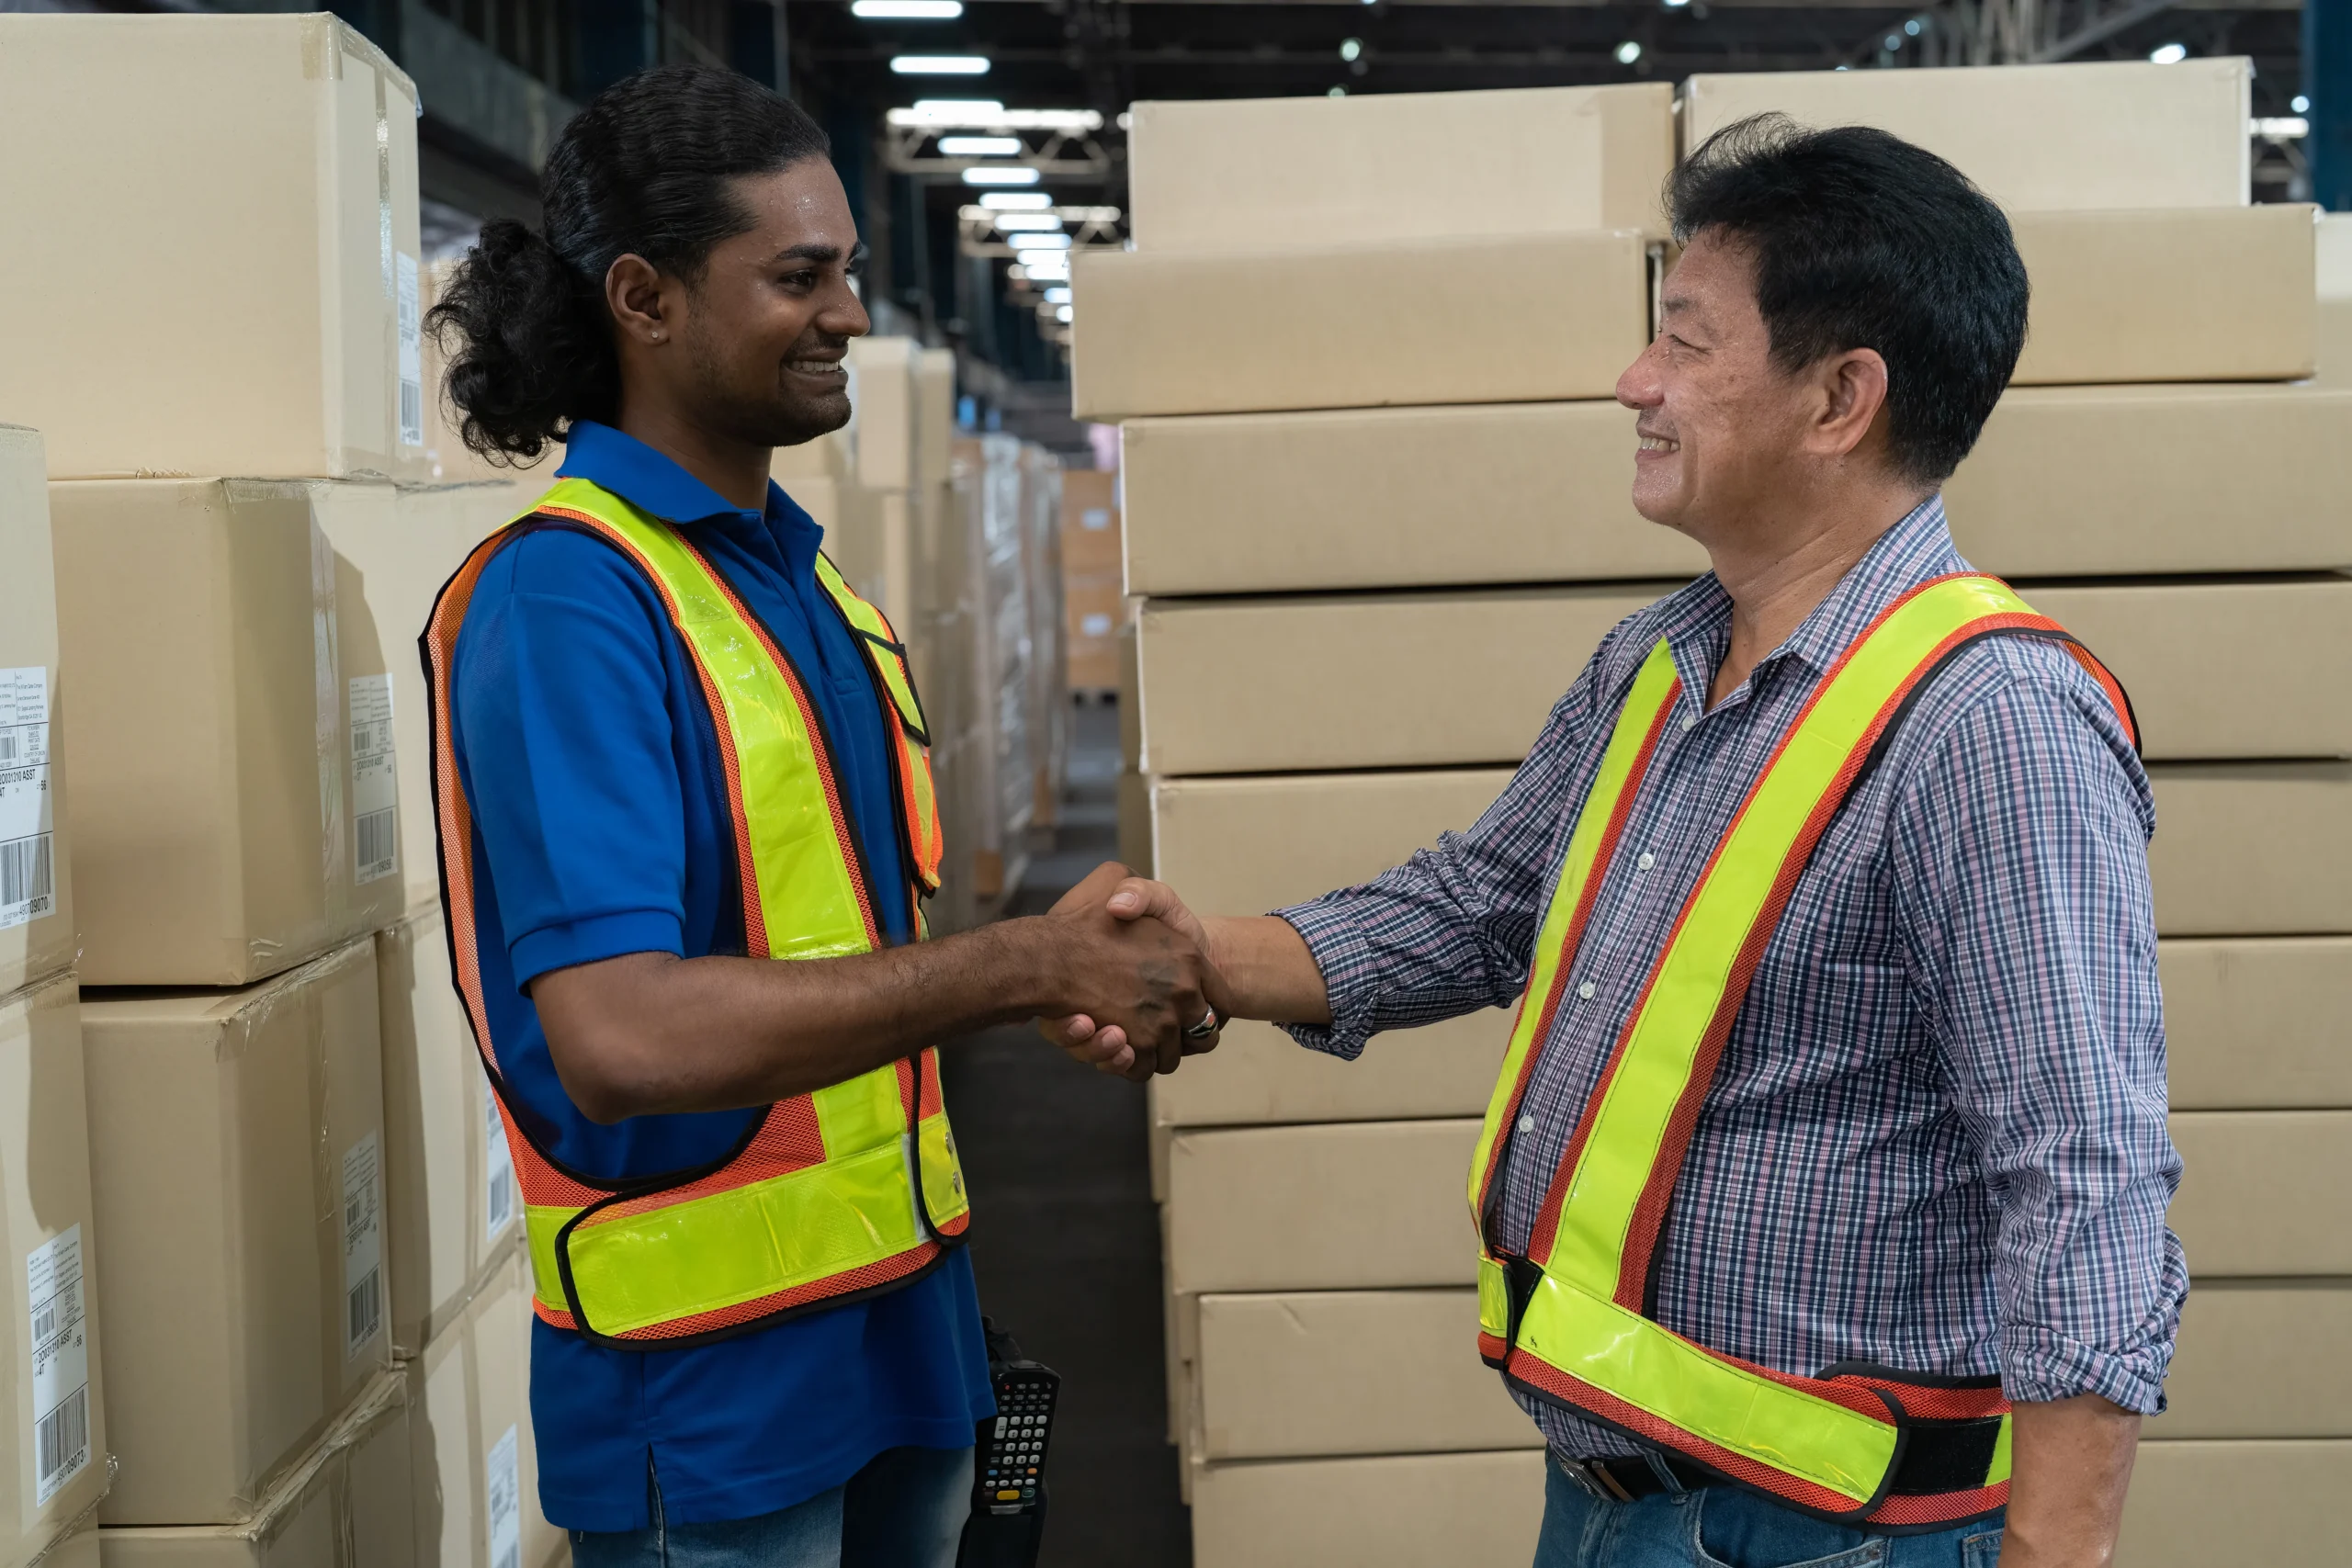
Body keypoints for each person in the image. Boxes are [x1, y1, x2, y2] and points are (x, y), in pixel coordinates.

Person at [1053, 116, 2184, 1568]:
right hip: (1612, 1498)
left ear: (1840, 399)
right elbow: (1481, 906)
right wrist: (1194, 954)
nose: (1633, 381)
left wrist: (2060, 1548)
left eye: (1686, 343)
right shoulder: (1658, 662)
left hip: (1829, 1535)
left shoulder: (1990, 720)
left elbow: (2081, 1167)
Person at [423, 65, 1220, 1568]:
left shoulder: (805, 584)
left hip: (896, 1336)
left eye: (846, 269)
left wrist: (1025, 975)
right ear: (645, 298)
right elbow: (621, 1036)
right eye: (801, 276)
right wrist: (1023, 967)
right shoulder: (568, 596)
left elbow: (840, 954)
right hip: (717, 1395)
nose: (851, 312)